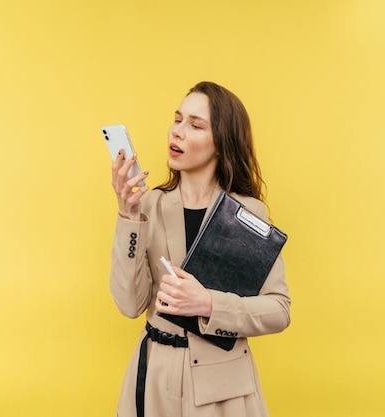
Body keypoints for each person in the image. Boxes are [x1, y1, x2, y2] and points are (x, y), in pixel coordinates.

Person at [109, 81, 290, 417]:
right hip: (153, 381)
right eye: (177, 120)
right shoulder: (148, 204)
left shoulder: (247, 214)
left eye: (194, 125)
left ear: (221, 142)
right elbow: (129, 304)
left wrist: (208, 303)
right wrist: (128, 217)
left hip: (224, 390)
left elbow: (279, 310)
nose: (177, 132)